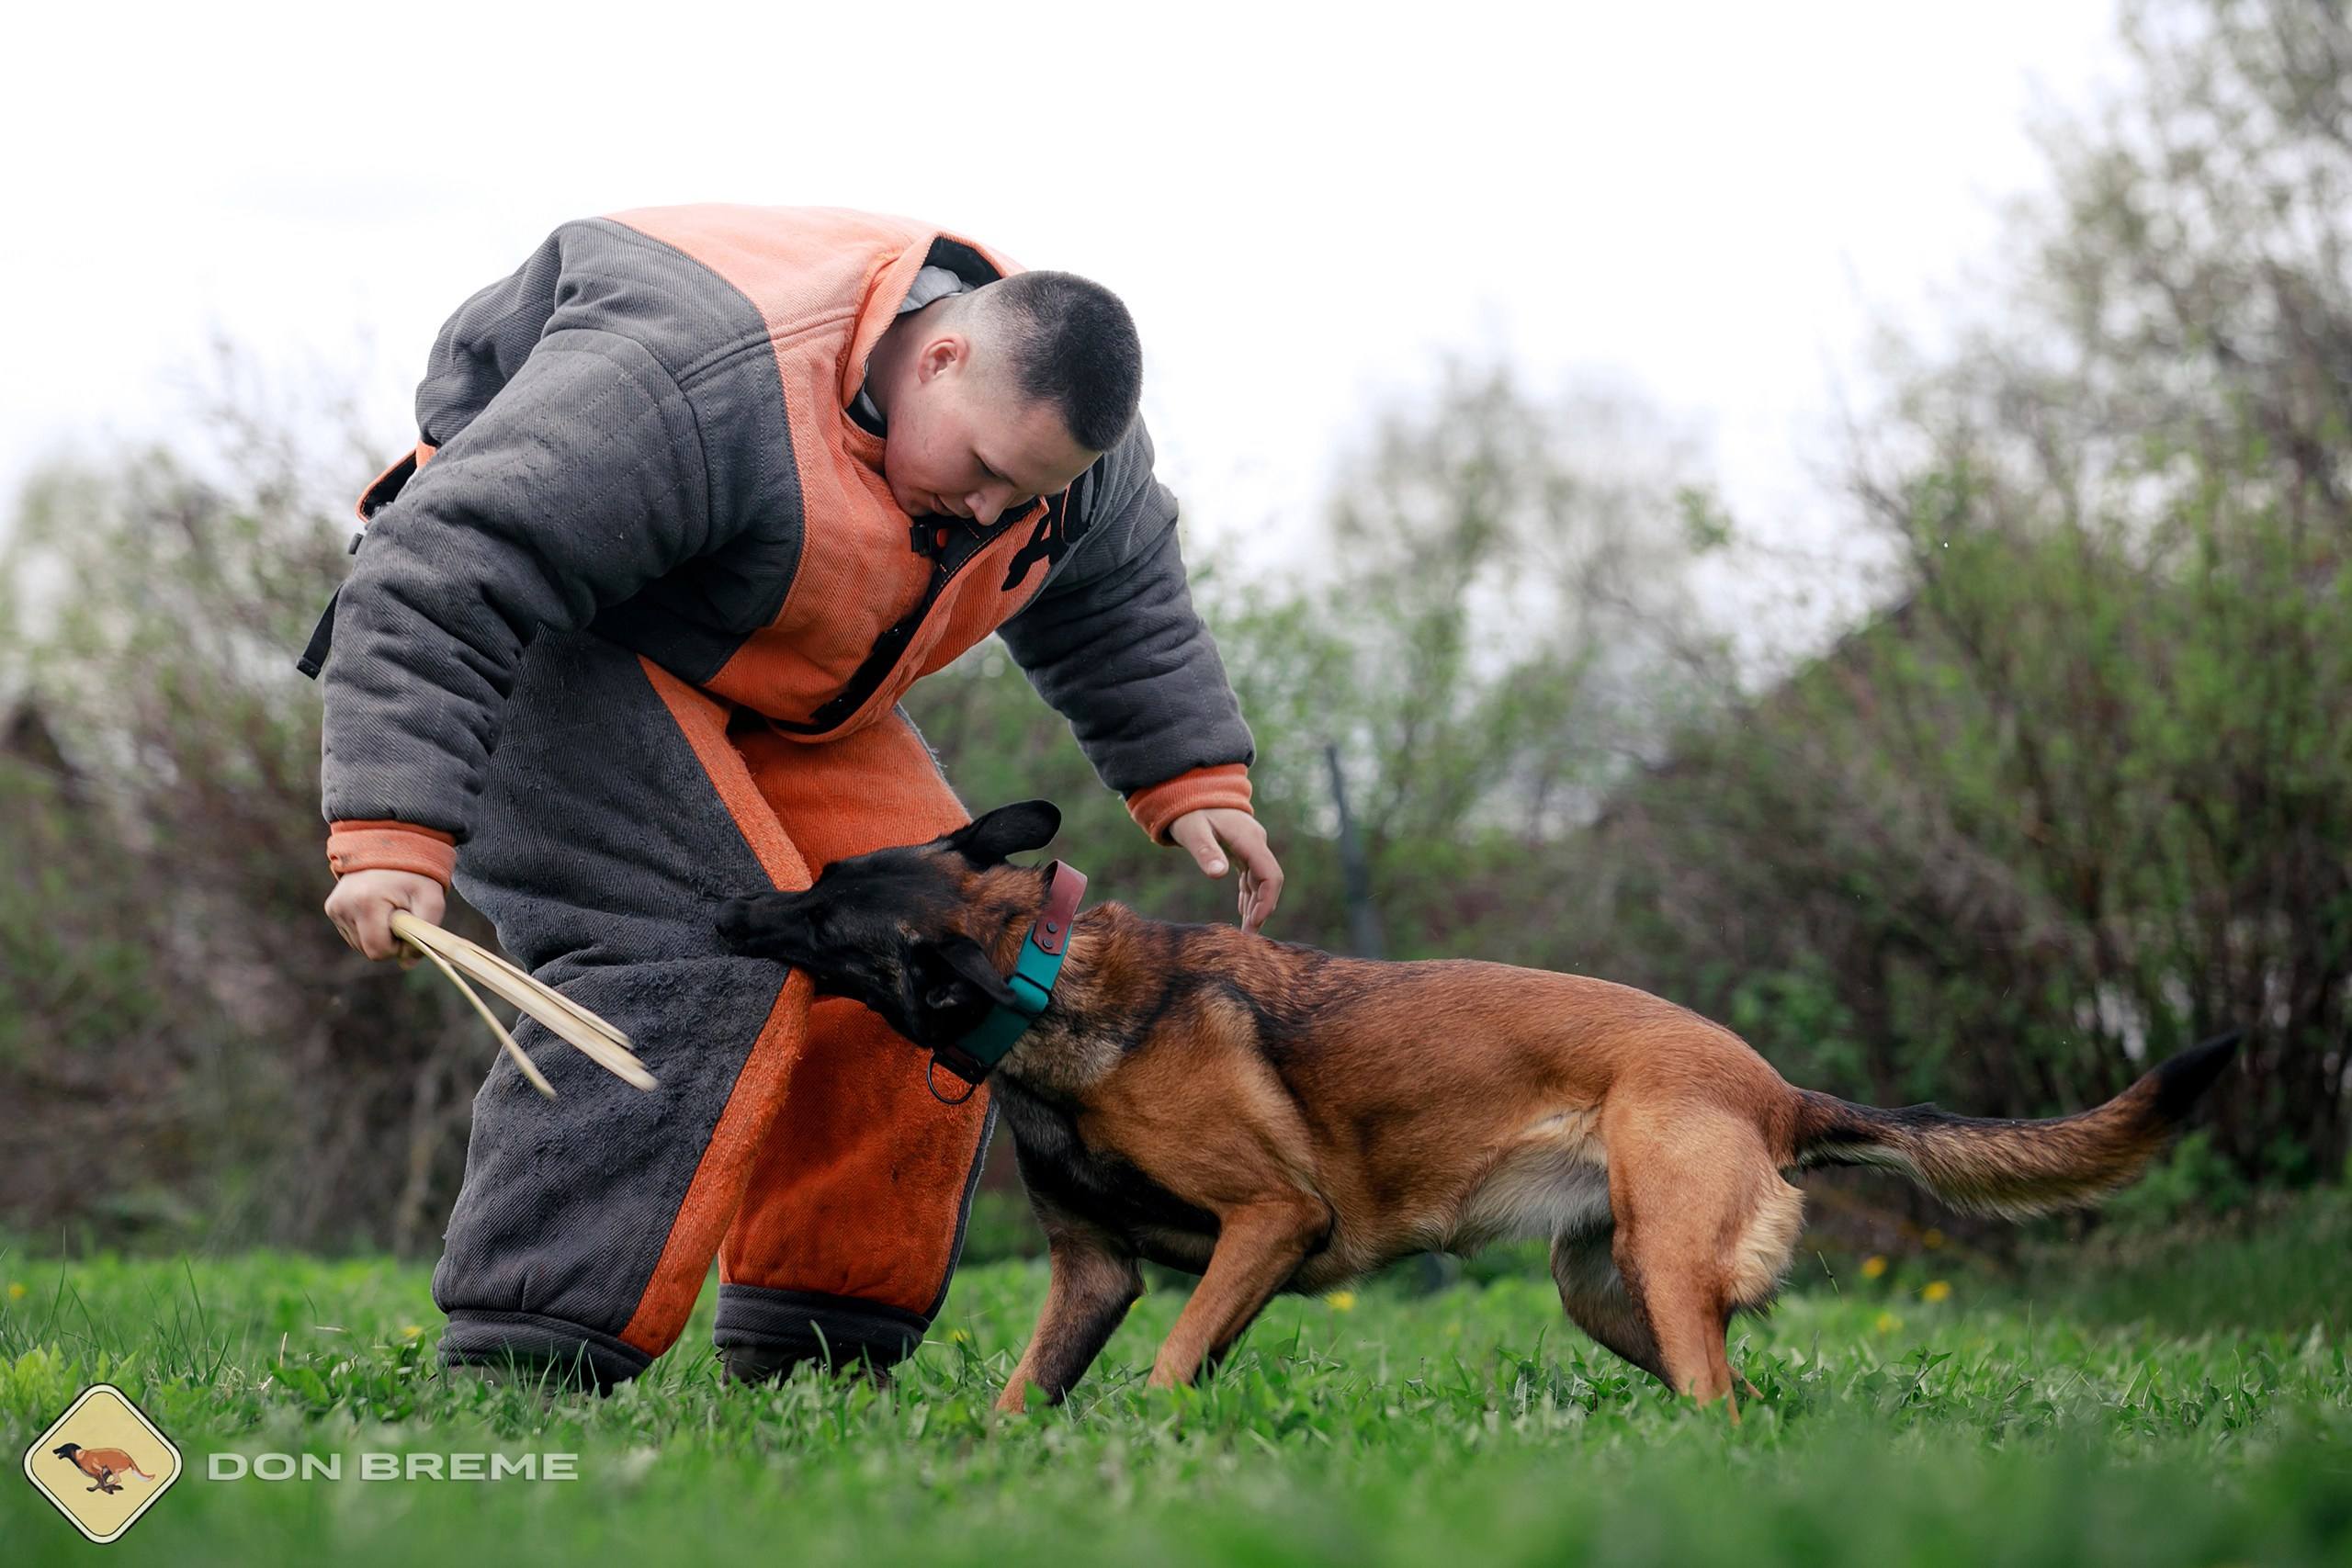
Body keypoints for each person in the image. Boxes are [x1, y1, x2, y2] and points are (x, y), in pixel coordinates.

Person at [310, 205, 1282, 1390]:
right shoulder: (691, 383)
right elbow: (439, 575)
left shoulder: (1060, 455)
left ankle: (817, 1354)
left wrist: (1193, 778)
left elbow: (1120, 594)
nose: (989, 512)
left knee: (948, 947)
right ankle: (526, 1360)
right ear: (937, 355)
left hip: (771, 683)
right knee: (692, 943)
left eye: (1018, 498)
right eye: (979, 472)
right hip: (556, 641)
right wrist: (390, 827)